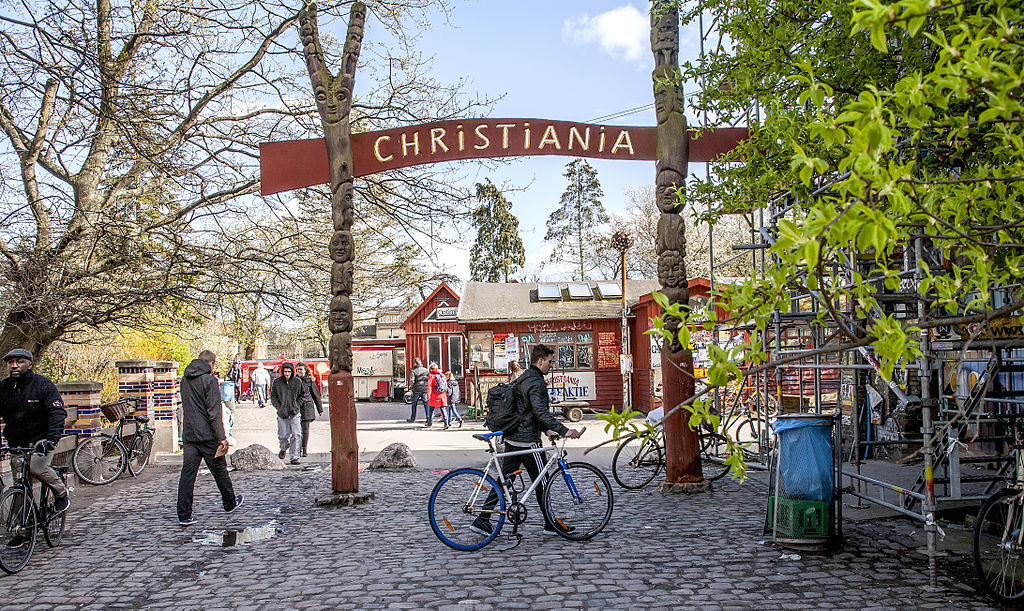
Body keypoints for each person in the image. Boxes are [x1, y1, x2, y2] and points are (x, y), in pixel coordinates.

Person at [471, 344, 581, 537]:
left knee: (505, 479)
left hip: (514, 437)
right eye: (549, 361)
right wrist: (564, 430)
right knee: (543, 482)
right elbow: (540, 411)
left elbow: (527, 410)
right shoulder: (536, 382)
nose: (551, 365)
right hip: (528, 440)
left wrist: (546, 429)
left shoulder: (524, 377)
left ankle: (483, 519)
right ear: (540, 361)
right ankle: (550, 523)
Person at [0, 348, 70, 526]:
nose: (14, 365)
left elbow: (57, 413)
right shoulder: (4, 387)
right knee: (20, 485)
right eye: (11, 362)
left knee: (37, 468)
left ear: (29, 364)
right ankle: (24, 528)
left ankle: (61, 493)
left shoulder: (42, 385)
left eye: (19, 361)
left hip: (42, 439)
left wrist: (51, 439)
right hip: (17, 442)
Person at [176, 350, 243, 526]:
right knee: (220, 470)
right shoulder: (209, 381)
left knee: (188, 474)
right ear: (212, 363)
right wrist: (222, 437)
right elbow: (214, 412)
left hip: (190, 434)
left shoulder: (185, 380)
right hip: (207, 435)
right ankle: (230, 503)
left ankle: (184, 514)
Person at [270, 362, 303, 465]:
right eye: (285, 371)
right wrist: (279, 407)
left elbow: (302, 395)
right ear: (282, 372)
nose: (287, 374)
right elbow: (273, 397)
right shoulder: (277, 382)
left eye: (289, 372)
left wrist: (297, 405)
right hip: (282, 413)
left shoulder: (297, 382)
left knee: (296, 435)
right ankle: (283, 449)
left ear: (292, 372)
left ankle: (294, 457)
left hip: (294, 412)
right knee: (283, 436)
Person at [295, 362, 323, 458]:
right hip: (296, 407)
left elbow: (316, 395)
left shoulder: (309, 381)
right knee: (296, 430)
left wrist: (320, 409)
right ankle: (297, 449)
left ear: (305, 370)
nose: (299, 371)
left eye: (301, 369)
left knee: (305, 430)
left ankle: (304, 449)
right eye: (298, 369)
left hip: (307, 407)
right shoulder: (293, 380)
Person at [425, 362, 448, 428]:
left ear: (431, 368)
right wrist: (445, 392)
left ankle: (430, 424)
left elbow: (429, 386)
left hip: (434, 395)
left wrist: (428, 395)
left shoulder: (431, 375)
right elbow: (446, 385)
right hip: (442, 395)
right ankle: (446, 423)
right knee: (443, 409)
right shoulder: (442, 375)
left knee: (431, 410)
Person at [407, 358, 429, 424]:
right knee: (426, 404)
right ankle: (428, 418)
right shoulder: (426, 370)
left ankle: (413, 418)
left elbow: (412, 381)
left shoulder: (413, 371)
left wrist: (411, 388)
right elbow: (428, 379)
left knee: (414, 404)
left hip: (416, 390)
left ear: (415, 363)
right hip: (425, 389)